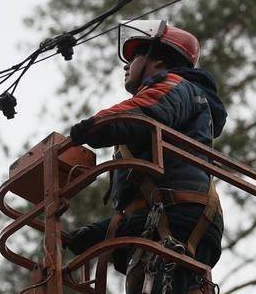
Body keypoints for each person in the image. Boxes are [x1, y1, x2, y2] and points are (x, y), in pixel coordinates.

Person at [66, 20, 227, 294]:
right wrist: (103, 231)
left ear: (159, 60)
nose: (126, 65)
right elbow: (150, 193)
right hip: (176, 216)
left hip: (174, 217)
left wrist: (95, 125)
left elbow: (143, 114)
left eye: (136, 55)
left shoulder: (176, 85)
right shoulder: (182, 97)